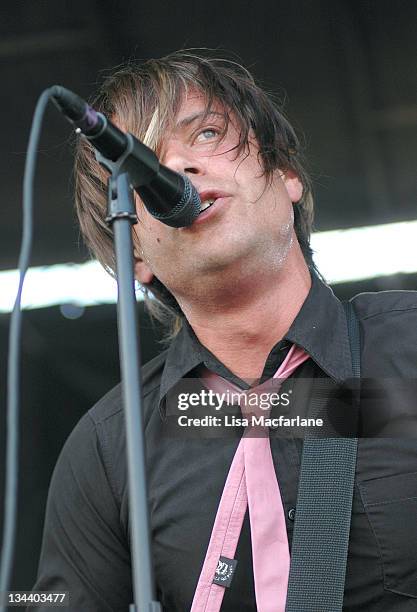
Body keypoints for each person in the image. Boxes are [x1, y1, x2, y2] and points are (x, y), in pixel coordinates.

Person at [32, 51, 417, 611]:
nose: (180, 166)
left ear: (286, 177)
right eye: (142, 166)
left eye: (207, 134)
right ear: (134, 251)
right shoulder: (109, 450)